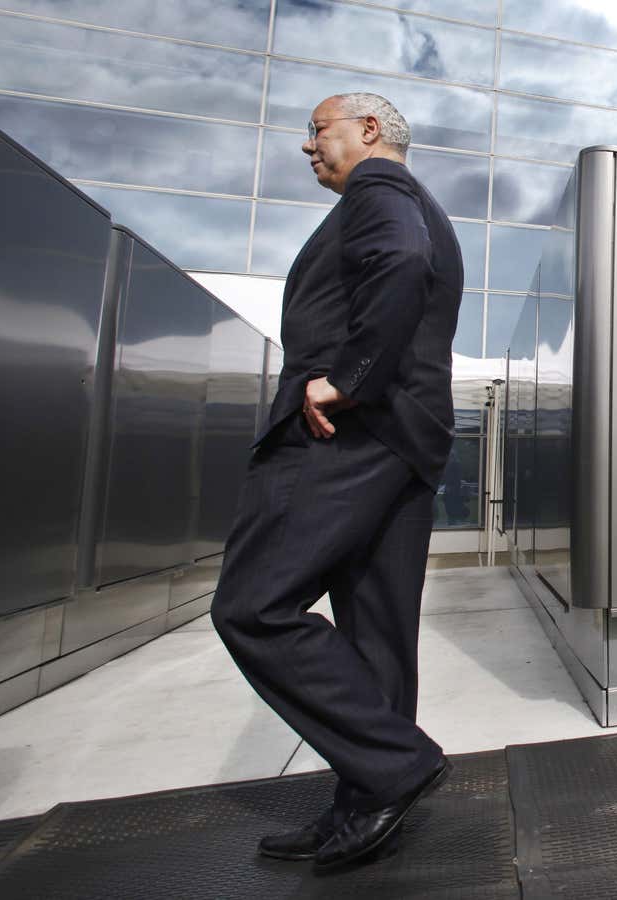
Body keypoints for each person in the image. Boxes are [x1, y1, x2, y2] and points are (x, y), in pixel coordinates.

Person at [211, 92, 463, 871]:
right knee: (375, 630)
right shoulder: (420, 203)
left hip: (347, 435)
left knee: (253, 607)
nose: (308, 147)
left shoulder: (378, 188)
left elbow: (399, 262)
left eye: (319, 130)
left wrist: (345, 379)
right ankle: (367, 798)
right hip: (406, 440)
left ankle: (396, 764)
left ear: (370, 131)